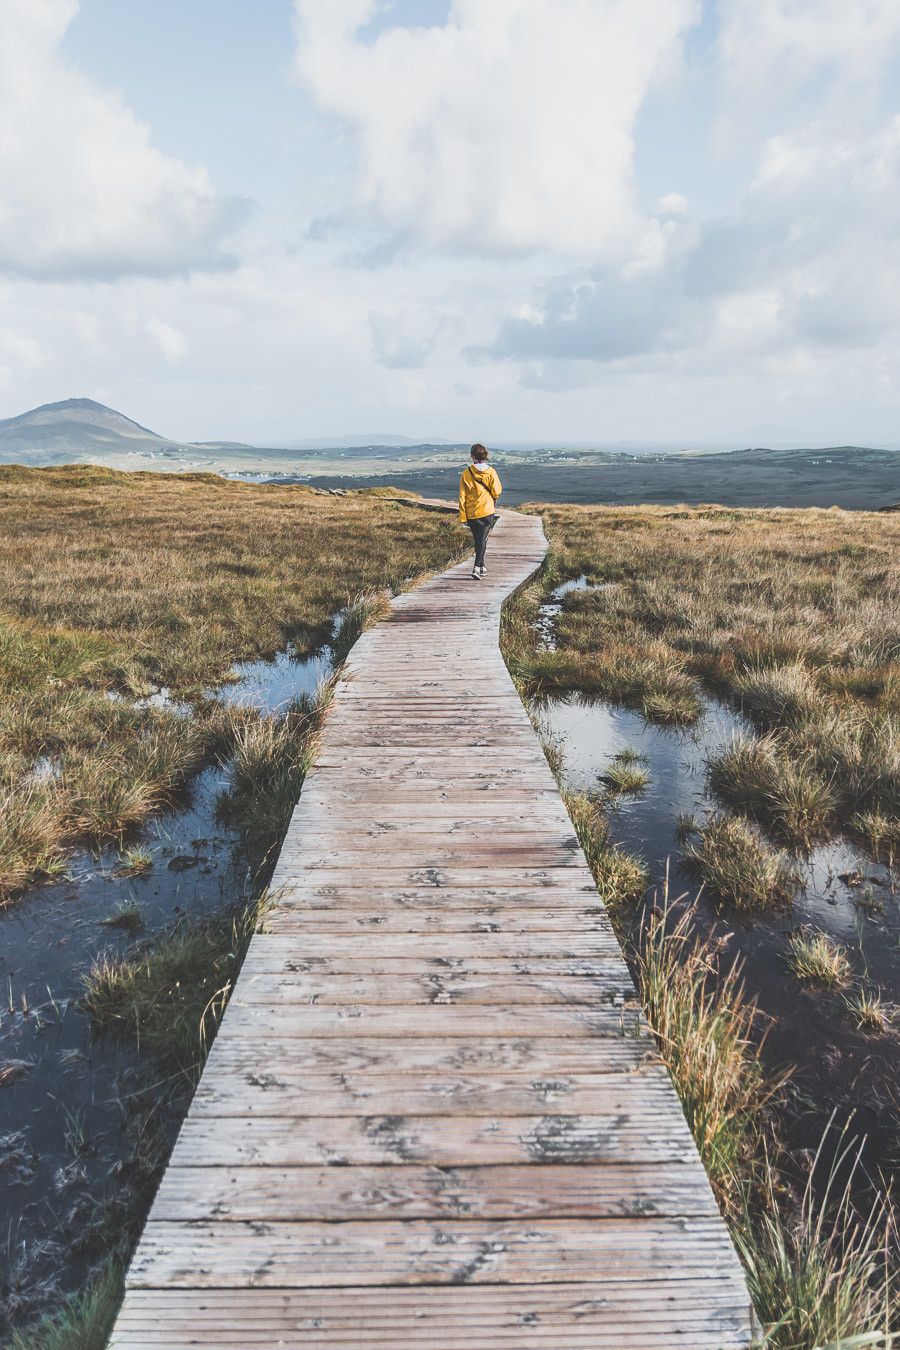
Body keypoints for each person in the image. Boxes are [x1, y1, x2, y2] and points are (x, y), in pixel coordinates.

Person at [458, 443, 502, 580]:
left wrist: (463, 517)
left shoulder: (466, 473)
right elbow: (497, 491)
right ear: (485, 456)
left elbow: (462, 497)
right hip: (487, 510)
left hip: (472, 513)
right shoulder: (491, 472)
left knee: (479, 540)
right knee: (481, 540)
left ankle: (480, 567)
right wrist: (492, 498)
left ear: (472, 456)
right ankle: (478, 567)